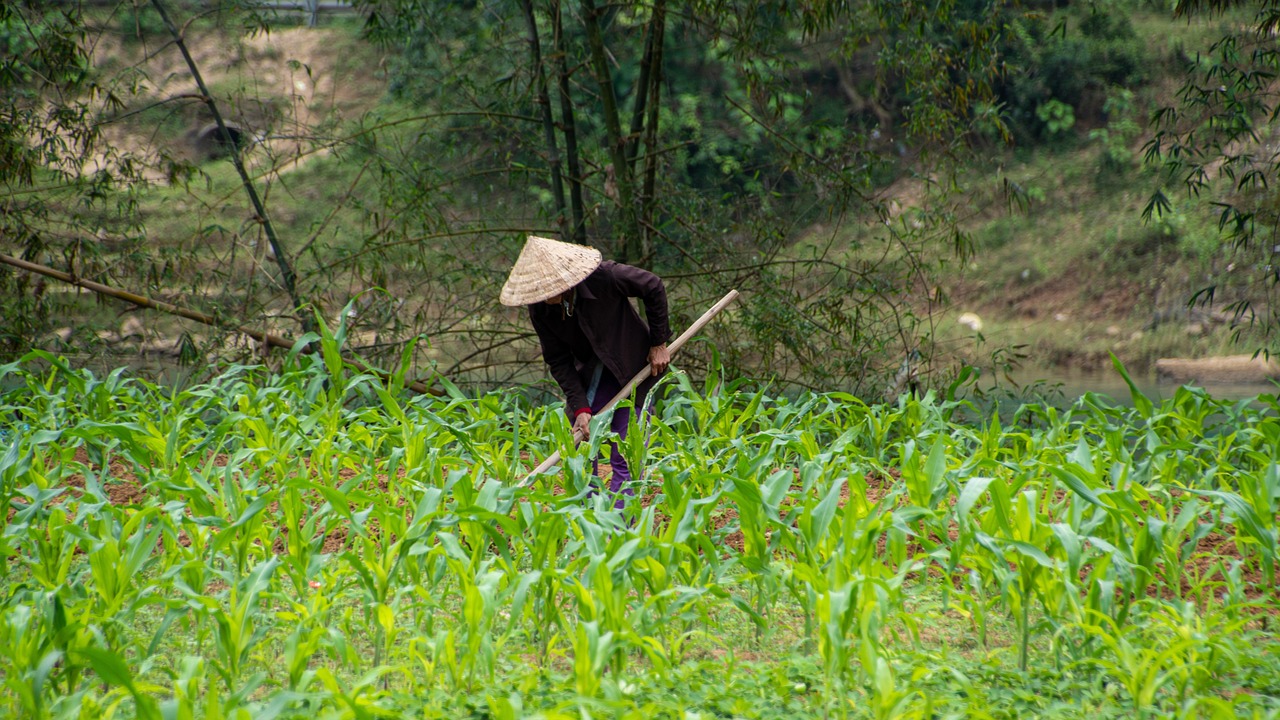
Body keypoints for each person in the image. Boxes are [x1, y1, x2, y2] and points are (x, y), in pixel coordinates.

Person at [500, 235, 670, 501]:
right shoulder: (540, 309)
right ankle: (588, 516)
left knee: (627, 451)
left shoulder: (605, 277)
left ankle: (620, 520)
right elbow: (558, 360)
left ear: (565, 281)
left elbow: (653, 286)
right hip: (591, 375)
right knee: (582, 448)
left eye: (549, 290)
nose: (544, 297)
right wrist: (580, 407)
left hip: (631, 368)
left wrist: (658, 343)